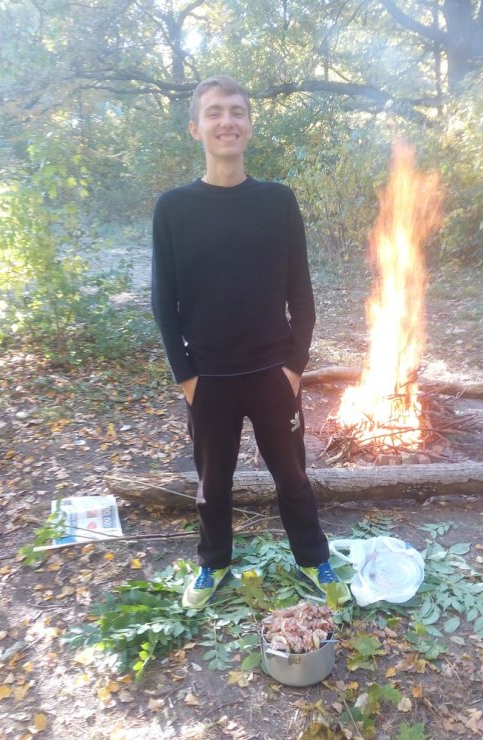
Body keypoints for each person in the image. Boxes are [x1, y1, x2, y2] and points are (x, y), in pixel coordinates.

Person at [151, 75, 350, 609]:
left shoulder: (277, 202)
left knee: (293, 477)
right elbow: (163, 301)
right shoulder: (173, 208)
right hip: (208, 377)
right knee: (212, 484)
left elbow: (301, 294)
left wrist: (294, 367)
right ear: (196, 128)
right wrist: (186, 377)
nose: (227, 121)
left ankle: (313, 558)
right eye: (214, 112)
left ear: (249, 126)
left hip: (271, 374)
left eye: (237, 111)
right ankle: (213, 563)